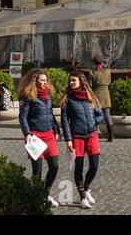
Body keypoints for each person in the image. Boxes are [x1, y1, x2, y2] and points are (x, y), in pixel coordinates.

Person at [60, 71, 104, 209]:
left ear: (81, 81)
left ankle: (86, 188)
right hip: (77, 137)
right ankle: (82, 197)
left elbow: (101, 115)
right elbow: (64, 121)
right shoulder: (68, 99)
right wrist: (68, 139)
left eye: (74, 80)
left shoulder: (91, 96)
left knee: (94, 165)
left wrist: (93, 122)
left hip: (92, 135)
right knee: (78, 167)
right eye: (70, 81)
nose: (71, 83)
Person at [18, 68, 60, 208]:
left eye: (46, 80)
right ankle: (36, 198)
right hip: (34, 136)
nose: (45, 83)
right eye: (42, 80)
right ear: (34, 81)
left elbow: (50, 114)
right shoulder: (27, 95)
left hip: (49, 134)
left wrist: (56, 130)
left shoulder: (47, 95)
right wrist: (27, 134)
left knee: (54, 166)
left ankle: (45, 193)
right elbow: (22, 117)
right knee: (38, 170)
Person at [88, 54, 114, 142]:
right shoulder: (107, 71)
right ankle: (111, 136)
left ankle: (93, 135)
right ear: (102, 61)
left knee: (95, 115)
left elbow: (89, 86)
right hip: (106, 95)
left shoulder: (92, 72)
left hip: (96, 95)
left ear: (93, 62)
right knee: (107, 116)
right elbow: (109, 82)